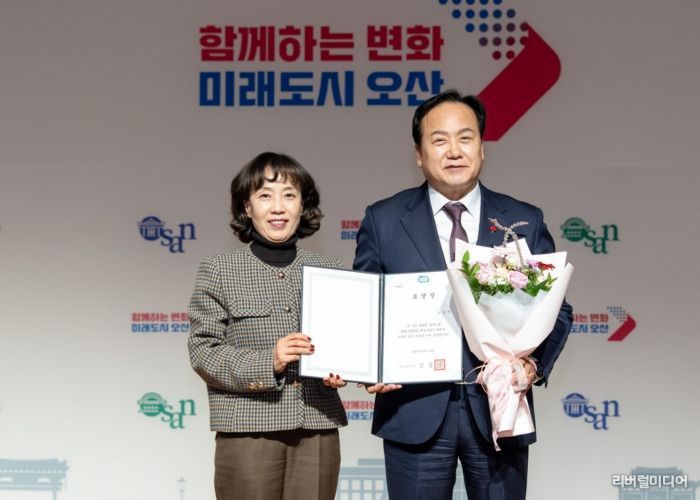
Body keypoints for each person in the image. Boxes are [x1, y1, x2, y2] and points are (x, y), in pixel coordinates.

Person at [353, 90, 573, 499]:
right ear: (419, 154)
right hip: (413, 411)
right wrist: (368, 365)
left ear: (482, 148)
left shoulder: (522, 220)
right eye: (439, 140)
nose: (454, 151)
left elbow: (556, 309)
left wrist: (532, 365)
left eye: (465, 138)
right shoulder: (383, 220)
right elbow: (364, 308)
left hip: (499, 409)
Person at [188, 152, 348, 500]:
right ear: (247, 207)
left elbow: (345, 343)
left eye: (289, 195)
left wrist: (341, 370)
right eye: (265, 196)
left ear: (303, 205)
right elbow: (203, 352)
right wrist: (269, 361)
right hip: (247, 431)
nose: (278, 207)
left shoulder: (331, 270)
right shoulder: (219, 269)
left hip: (317, 427)